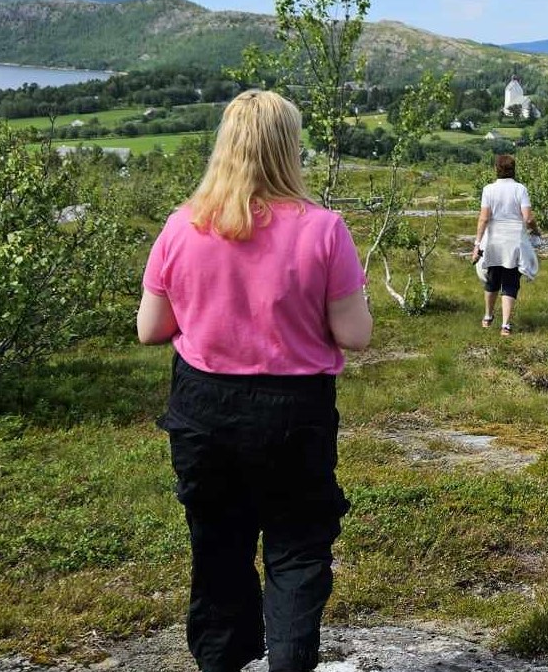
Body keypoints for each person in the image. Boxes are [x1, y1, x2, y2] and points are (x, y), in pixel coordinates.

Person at [137, 89, 374, 672]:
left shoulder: (181, 226)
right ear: (287, 148)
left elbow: (149, 329)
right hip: (294, 410)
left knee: (218, 545)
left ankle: (222, 660)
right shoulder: (324, 229)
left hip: (202, 407)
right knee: (296, 548)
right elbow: (355, 334)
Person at [472, 152, 539, 334]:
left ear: (496, 169)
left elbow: (484, 219)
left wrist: (477, 244)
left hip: (493, 241)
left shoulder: (488, 190)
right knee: (510, 282)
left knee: (492, 280)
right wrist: (536, 231)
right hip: (514, 242)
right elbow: (528, 218)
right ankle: (505, 326)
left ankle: (487, 317)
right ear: (513, 169)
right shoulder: (520, 189)